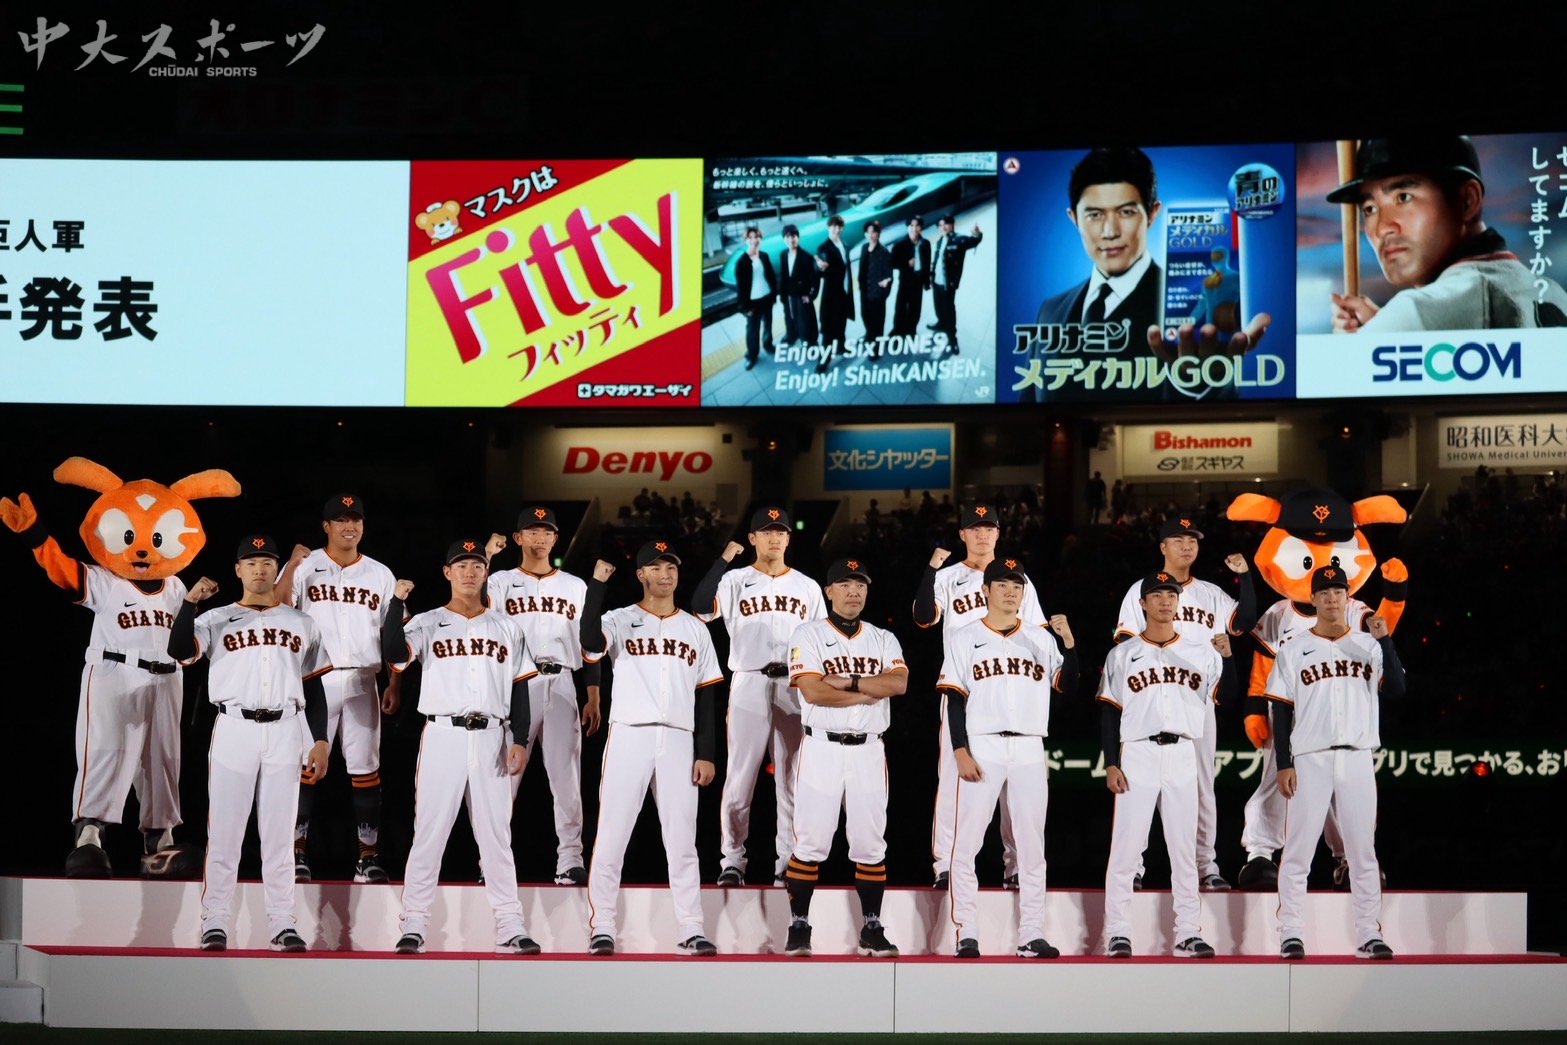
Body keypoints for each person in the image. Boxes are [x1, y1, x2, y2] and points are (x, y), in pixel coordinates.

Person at [168, 535, 331, 953]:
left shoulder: (302, 622)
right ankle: (214, 921)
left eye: (267, 562)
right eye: (252, 562)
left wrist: (320, 739)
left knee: (279, 834)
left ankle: (282, 922)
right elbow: (179, 650)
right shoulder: (216, 618)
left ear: (276, 569)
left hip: (286, 728)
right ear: (238, 570)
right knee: (225, 831)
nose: (260, 569)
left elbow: (314, 687)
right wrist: (188, 604)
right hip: (234, 727)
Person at [383, 539, 542, 955]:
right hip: (443, 733)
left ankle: (510, 923)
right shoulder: (429, 622)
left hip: (492, 735)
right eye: (461, 565)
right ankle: (414, 922)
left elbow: (520, 686)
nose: (470, 572)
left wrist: (521, 738)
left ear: (485, 572)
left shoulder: (507, 627)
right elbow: (395, 655)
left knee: (496, 835)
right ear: (447, 572)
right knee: (429, 831)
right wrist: (395, 605)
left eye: (476, 565)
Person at [579, 541, 723, 957]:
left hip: (679, 738)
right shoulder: (619, 619)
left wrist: (706, 752)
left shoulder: (695, 629)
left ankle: (691, 927)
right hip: (630, 734)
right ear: (641, 574)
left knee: (682, 840)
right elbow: (590, 642)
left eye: (671, 567)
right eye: (656, 567)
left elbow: (707, 696)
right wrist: (597, 587)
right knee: (612, 834)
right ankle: (602, 925)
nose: (665, 574)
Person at [939, 558, 1077, 959]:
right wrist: (960, 750)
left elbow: (1068, 686)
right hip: (983, 744)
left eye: (1016, 585)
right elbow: (953, 698)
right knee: (967, 842)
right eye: (1002, 584)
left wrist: (1070, 646)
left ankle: (1032, 932)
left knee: (1032, 844)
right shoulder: (965, 637)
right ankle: (966, 931)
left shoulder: (1039, 638)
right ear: (986, 590)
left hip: (1030, 745)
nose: (1010, 591)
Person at [1267, 566, 1405, 961]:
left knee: (1363, 851)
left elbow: (1397, 690)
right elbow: (1280, 709)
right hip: (1310, 757)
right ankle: (1291, 932)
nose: (1331, 598)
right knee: (1298, 850)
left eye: (1338, 591)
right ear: (1313, 599)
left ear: (1348, 598)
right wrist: (1283, 763)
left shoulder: (1369, 645)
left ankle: (1369, 933)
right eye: (1324, 592)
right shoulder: (1293, 648)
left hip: (1357, 756)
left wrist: (1386, 640)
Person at [1112, 514, 1255, 892]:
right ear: (1163, 546)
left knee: (1202, 786)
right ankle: (1133, 868)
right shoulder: (1141, 590)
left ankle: (1205, 866)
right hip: (1150, 699)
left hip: (1197, 702)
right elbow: (1125, 647)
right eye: (1178, 539)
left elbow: (1243, 623)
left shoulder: (1210, 594)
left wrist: (1246, 577)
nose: (1187, 545)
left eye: (1192, 539)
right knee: (1136, 788)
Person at [1098, 571, 1237, 959]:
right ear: (1143, 603)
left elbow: (1228, 696)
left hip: (1182, 753)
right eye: (1157, 595)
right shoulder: (1122, 654)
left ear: (1178, 603)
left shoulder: (1200, 651)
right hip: (1138, 752)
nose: (1165, 601)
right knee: (1126, 848)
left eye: (1171, 595)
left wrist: (1229, 660)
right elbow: (1109, 711)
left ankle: (1188, 932)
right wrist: (1111, 763)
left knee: (1183, 849)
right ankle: (1117, 931)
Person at [913, 501, 1046, 889]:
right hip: (963, 688)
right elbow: (923, 617)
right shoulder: (948, 576)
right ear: (963, 534)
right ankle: (946, 864)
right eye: (975, 528)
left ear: (998, 534)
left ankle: (1016, 865)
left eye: (989, 528)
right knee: (953, 778)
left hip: (1007, 689)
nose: (982, 534)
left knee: (1013, 786)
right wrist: (930, 569)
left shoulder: (1017, 580)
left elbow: (1038, 635)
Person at [692, 506, 825, 886]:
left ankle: (789, 861)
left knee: (792, 780)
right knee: (740, 778)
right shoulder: (734, 580)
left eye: (780, 532)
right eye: (766, 532)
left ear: (788, 538)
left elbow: (820, 642)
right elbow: (700, 607)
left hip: (794, 684)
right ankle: (732, 860)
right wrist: (723, 560)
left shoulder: (807, 586)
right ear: (752, 538)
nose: (774, 538)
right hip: (749, 680)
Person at [782, 558, 908, 958]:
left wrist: (850, 682)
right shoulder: (808, 633)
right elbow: (813, 692)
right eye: (845, 584)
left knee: (870, 843)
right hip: (821, 746)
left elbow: (899, 684)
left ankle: (871, 927)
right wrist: (869, 692)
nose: (854, 591)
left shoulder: (883, 638)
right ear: (829, 590)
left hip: (869, 748)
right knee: (811, 840)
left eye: (860, 584)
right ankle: (798, 924)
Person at [274, 493, 397, 884]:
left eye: (355, 519)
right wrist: (291, 567)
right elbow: (278, 609)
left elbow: (392, 633)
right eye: (341, 520)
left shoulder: (380, 573)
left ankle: (367, 858)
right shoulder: (304, 565)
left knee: (366, 768)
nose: (350, 526)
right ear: (326, 526)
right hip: (315, 679)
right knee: (306, 764)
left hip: (363, 677)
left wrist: (394, 682)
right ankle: (295, 855)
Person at [1328, 136, 1567, 333]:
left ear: (1467, 201)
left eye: (1403, 197)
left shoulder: (1414, 312)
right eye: (1369, 209)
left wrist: (1361, 346)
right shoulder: (1553, 292)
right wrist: (1385, 327)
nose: (1382, 228)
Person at [484, 506, 602, 885]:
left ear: (555, 539)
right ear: (518, 538)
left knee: (567, 776)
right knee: (505, 774)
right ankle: (491, 861)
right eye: (533, 531)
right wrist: (486, 557)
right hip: (515, 682)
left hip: (563, 679)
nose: (540, 537)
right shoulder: (500, 581)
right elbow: (476, 608)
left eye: (547, 531)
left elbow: (589, 643)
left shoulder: (575, 586)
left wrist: (594, 694)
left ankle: (570, 860)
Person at [929, 214, 984, 355]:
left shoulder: (959, 239)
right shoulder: (940, 241)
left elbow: (974, 241)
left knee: (949, 310)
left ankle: (952, 338)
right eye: (940, 225)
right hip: (936, 282)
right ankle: (941, 323)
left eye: (945, 224)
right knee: (938, 307)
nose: (943, 227)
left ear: (952, 225)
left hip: (948, 284)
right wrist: (931, 276)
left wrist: (977, 233)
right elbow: (936, 261)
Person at [733, 226, 778, 370]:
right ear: (746, 240)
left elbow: (771, 276)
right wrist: (745, 307)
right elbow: (741, 288)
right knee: (753, 330)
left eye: (757, 236)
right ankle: (752, 355)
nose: (754, 240)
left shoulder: (764, 256)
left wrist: (773, 295)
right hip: (752, 302)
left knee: (768, 324)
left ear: (760, 239)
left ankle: (768, 344)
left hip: (766, 297)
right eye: (750, 237)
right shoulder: (742, 262)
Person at [814, 214, 855, 368]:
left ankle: (841, 347)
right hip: (831, 294)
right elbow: (820, 267)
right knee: (828, 328)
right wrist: (820, 268)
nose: (836, 230)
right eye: (833, 226)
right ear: (828, 227)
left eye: (839, 227)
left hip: (844, 291)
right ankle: (824, 360)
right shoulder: (823, 247)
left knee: (842, 322)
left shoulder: (844, 244)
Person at [777, 223, 819, 349]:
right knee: (789, 317)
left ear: (798, 238)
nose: (791, 240)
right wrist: (782, 295)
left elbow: (815, 280)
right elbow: (784, 276)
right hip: (789, 295)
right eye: (788, 237)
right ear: (784, 239)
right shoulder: (783, 255)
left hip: (802, 296)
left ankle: (810, 341)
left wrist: (811, 296)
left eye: (793, 236)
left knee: (806, 320)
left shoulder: (807, 257)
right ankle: (792, 335)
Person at [889, 215, 931, 338]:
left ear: (921, 227)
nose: (914, 228)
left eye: (917, 225)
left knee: (915, 308)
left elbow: (927, 263)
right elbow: (891, 263)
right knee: (900, 307)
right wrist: (906, 263)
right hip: (905, 282)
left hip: (918, 281)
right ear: (907, 227)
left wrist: (926, 282)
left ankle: (911, 330)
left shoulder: (925, 243)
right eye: (911, 225)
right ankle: (897, 331)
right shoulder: (899, 244)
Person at [857, 220, 895, 350]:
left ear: (878, 234)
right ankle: (869, 335)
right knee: (865, 315)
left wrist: (886, 283)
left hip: (877, 293)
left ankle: (876, 347)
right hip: (865, 291)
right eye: (868, 232)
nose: (871, 235)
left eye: (873, 232)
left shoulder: (883, 252)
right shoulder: (864, 248)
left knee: (877, 321)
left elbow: (889, 274)